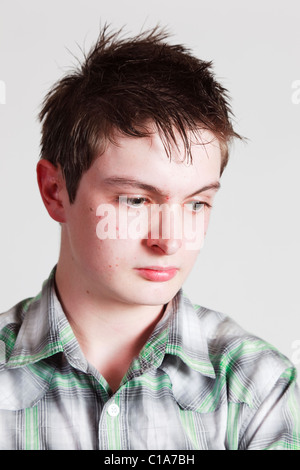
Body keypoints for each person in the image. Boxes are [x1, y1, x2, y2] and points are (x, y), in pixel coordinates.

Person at [0, 26, 299, 451]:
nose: (171, 241)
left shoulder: (258, 387)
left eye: (196, 204)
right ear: (55, 192)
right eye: (136, 201)